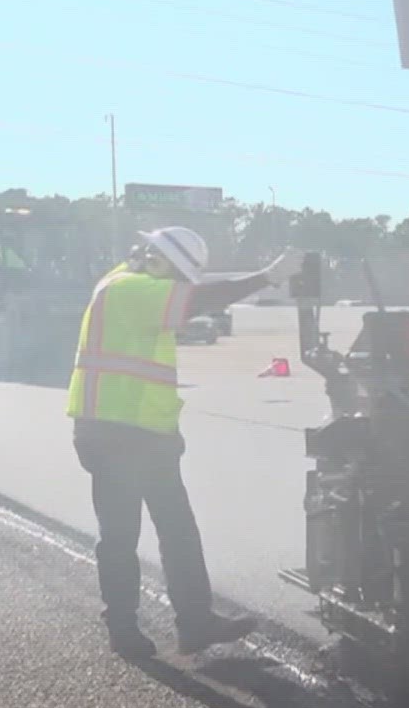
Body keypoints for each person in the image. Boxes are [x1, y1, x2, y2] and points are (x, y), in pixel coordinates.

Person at [67, 226, 297, 656]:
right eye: (178, 276)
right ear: (157, 261)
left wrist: (168, 433)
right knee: (120, 536)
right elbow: (199, 301)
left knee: (178, 530)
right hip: (114, 435)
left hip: (146, 436)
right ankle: (122, 629)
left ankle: (195, 623)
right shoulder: (127, 289)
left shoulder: (133, 290)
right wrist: (266, 276)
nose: (179, 286)